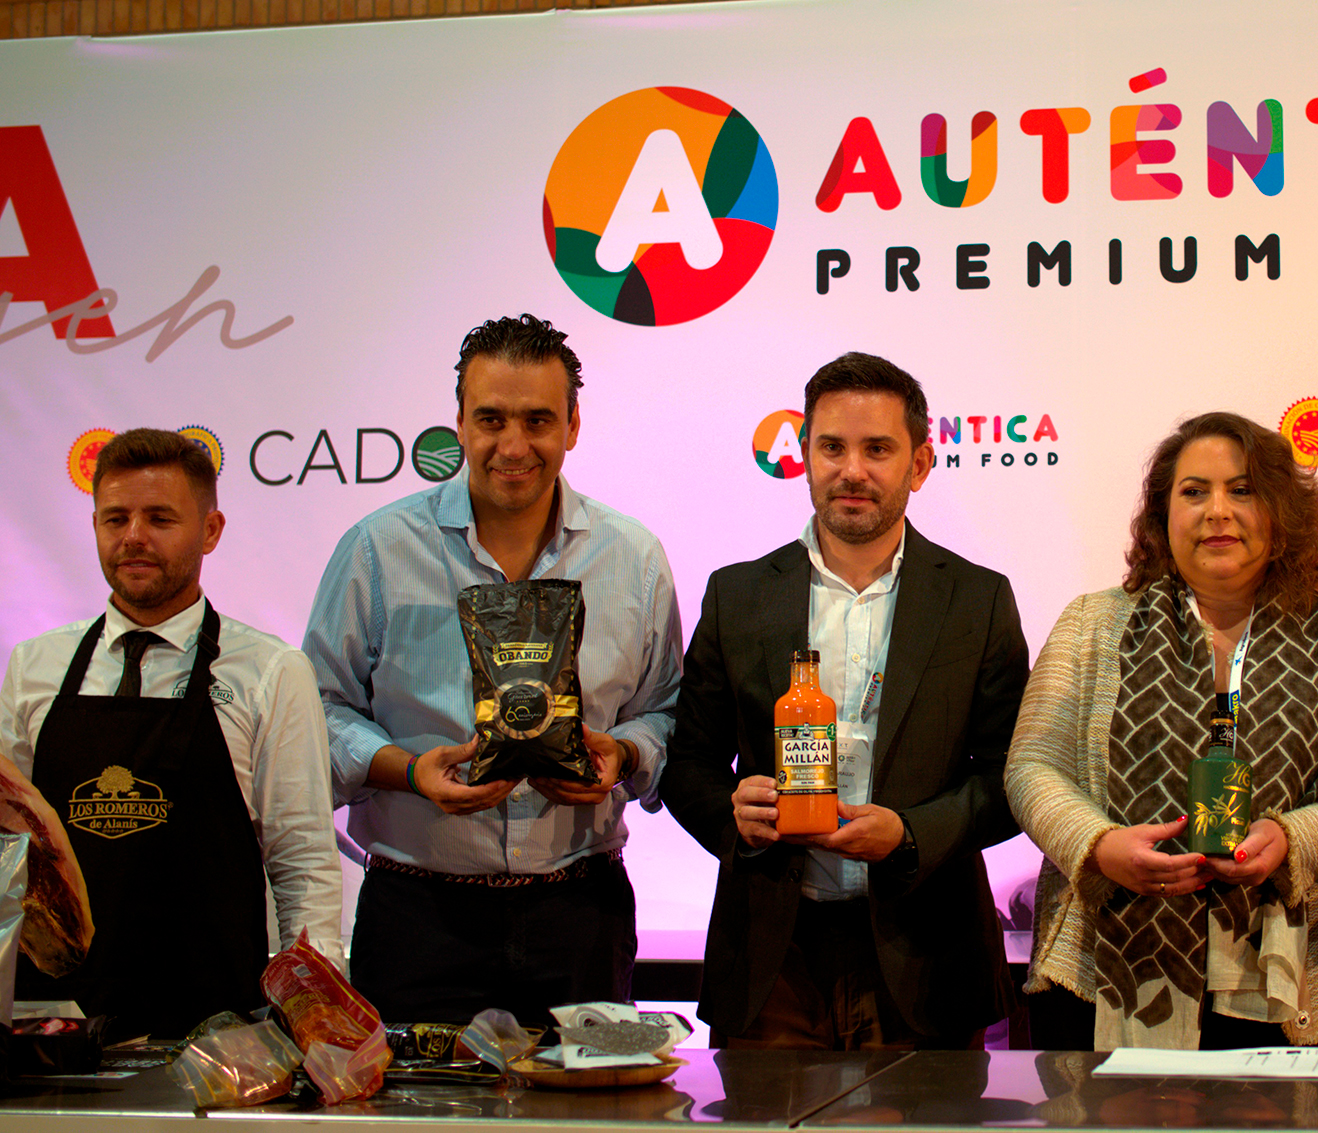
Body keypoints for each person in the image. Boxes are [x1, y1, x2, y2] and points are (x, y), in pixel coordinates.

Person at [304, 314, 681, 1024]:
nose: (513, 445)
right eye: (491, 419)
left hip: (582, 913)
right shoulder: (376, 550)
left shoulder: (633, 558)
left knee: (588, 1097)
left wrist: (624, 754)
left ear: (572, 426)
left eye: (538, 420)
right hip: (417, 916)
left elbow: (666, 709)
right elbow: (318, 711)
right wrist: (408, 771)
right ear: (459, 423)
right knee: (416, 1097)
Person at [1006, 411, 1318, 1051]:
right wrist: (1100, 846)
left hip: (1298, 981)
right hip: (1101, 970)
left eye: (1243, 490)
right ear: (1162, 515)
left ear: (1282, 511)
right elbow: (1033, 767)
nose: (1217, 511)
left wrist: (1292, 839)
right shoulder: (1092, 624)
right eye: (1194, 491)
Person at [659, 351, 1029, 1049]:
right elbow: (687, 763)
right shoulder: (738, 594)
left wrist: (910, 834)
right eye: (832, 447)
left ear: (920, 464)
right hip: (772, 960)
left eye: (877, 449)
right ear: (804, 456)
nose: (851, 470)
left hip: (929, 954)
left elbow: (1013, 777)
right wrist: (733, 815)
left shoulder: (977, 599)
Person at [0, 428, 341, 1038]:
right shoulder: (34, 664)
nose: (134, 536)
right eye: (115, 519)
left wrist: (316, 1013)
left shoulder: (271, 670)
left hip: (216, 1030)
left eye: (160, 518)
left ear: (210, 530)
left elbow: (303, 860)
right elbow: (9, 847)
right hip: (57, 1025)